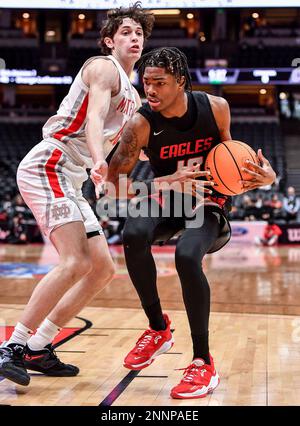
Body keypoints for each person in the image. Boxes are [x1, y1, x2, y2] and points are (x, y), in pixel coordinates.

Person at [106, 47, 276, 399]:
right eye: (145, 82)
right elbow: (110, 188)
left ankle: (203, 362)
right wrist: (161, 183)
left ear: (180, 81)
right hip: (166, 196)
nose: (149, 89)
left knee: (186, 256)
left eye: (159, 82)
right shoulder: (140, 124)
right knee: (133, 232)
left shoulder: (215, 108)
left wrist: (266, 178)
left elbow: (236, 165)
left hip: (208, 200)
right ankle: (158, 329)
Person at [0, 3, 154, 386]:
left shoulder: (135, 97)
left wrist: (176, 168)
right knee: (73, 261)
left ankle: (39, 345)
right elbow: (94, 118)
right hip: (49, 164)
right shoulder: (103, 68)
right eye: (126, 32)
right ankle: (13, 347)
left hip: (70, 176)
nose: (134, 38)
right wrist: (100, 161)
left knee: (102, 268)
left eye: (139, 33)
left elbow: (132, 149)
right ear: (109, 40)